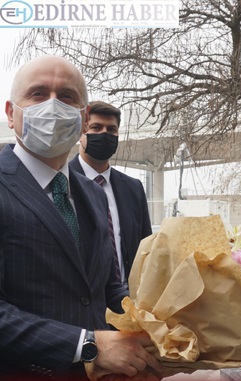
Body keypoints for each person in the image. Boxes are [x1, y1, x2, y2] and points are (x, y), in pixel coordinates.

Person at [0, 55, 160, 378]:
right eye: (38, 94)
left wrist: (157, 325)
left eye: (68, 97)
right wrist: (87, 346)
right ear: (10, 113)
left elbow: (109, 288)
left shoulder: (94, 194)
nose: (53, 106)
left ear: (83, 118)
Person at [69, 101, 153, 289]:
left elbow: (146, 248)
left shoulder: (133, 188)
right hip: (83, 306)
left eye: (111, 129)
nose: (104, 134)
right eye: (96, 127)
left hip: (128, 304)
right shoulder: (62, 182)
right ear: (81, 132)